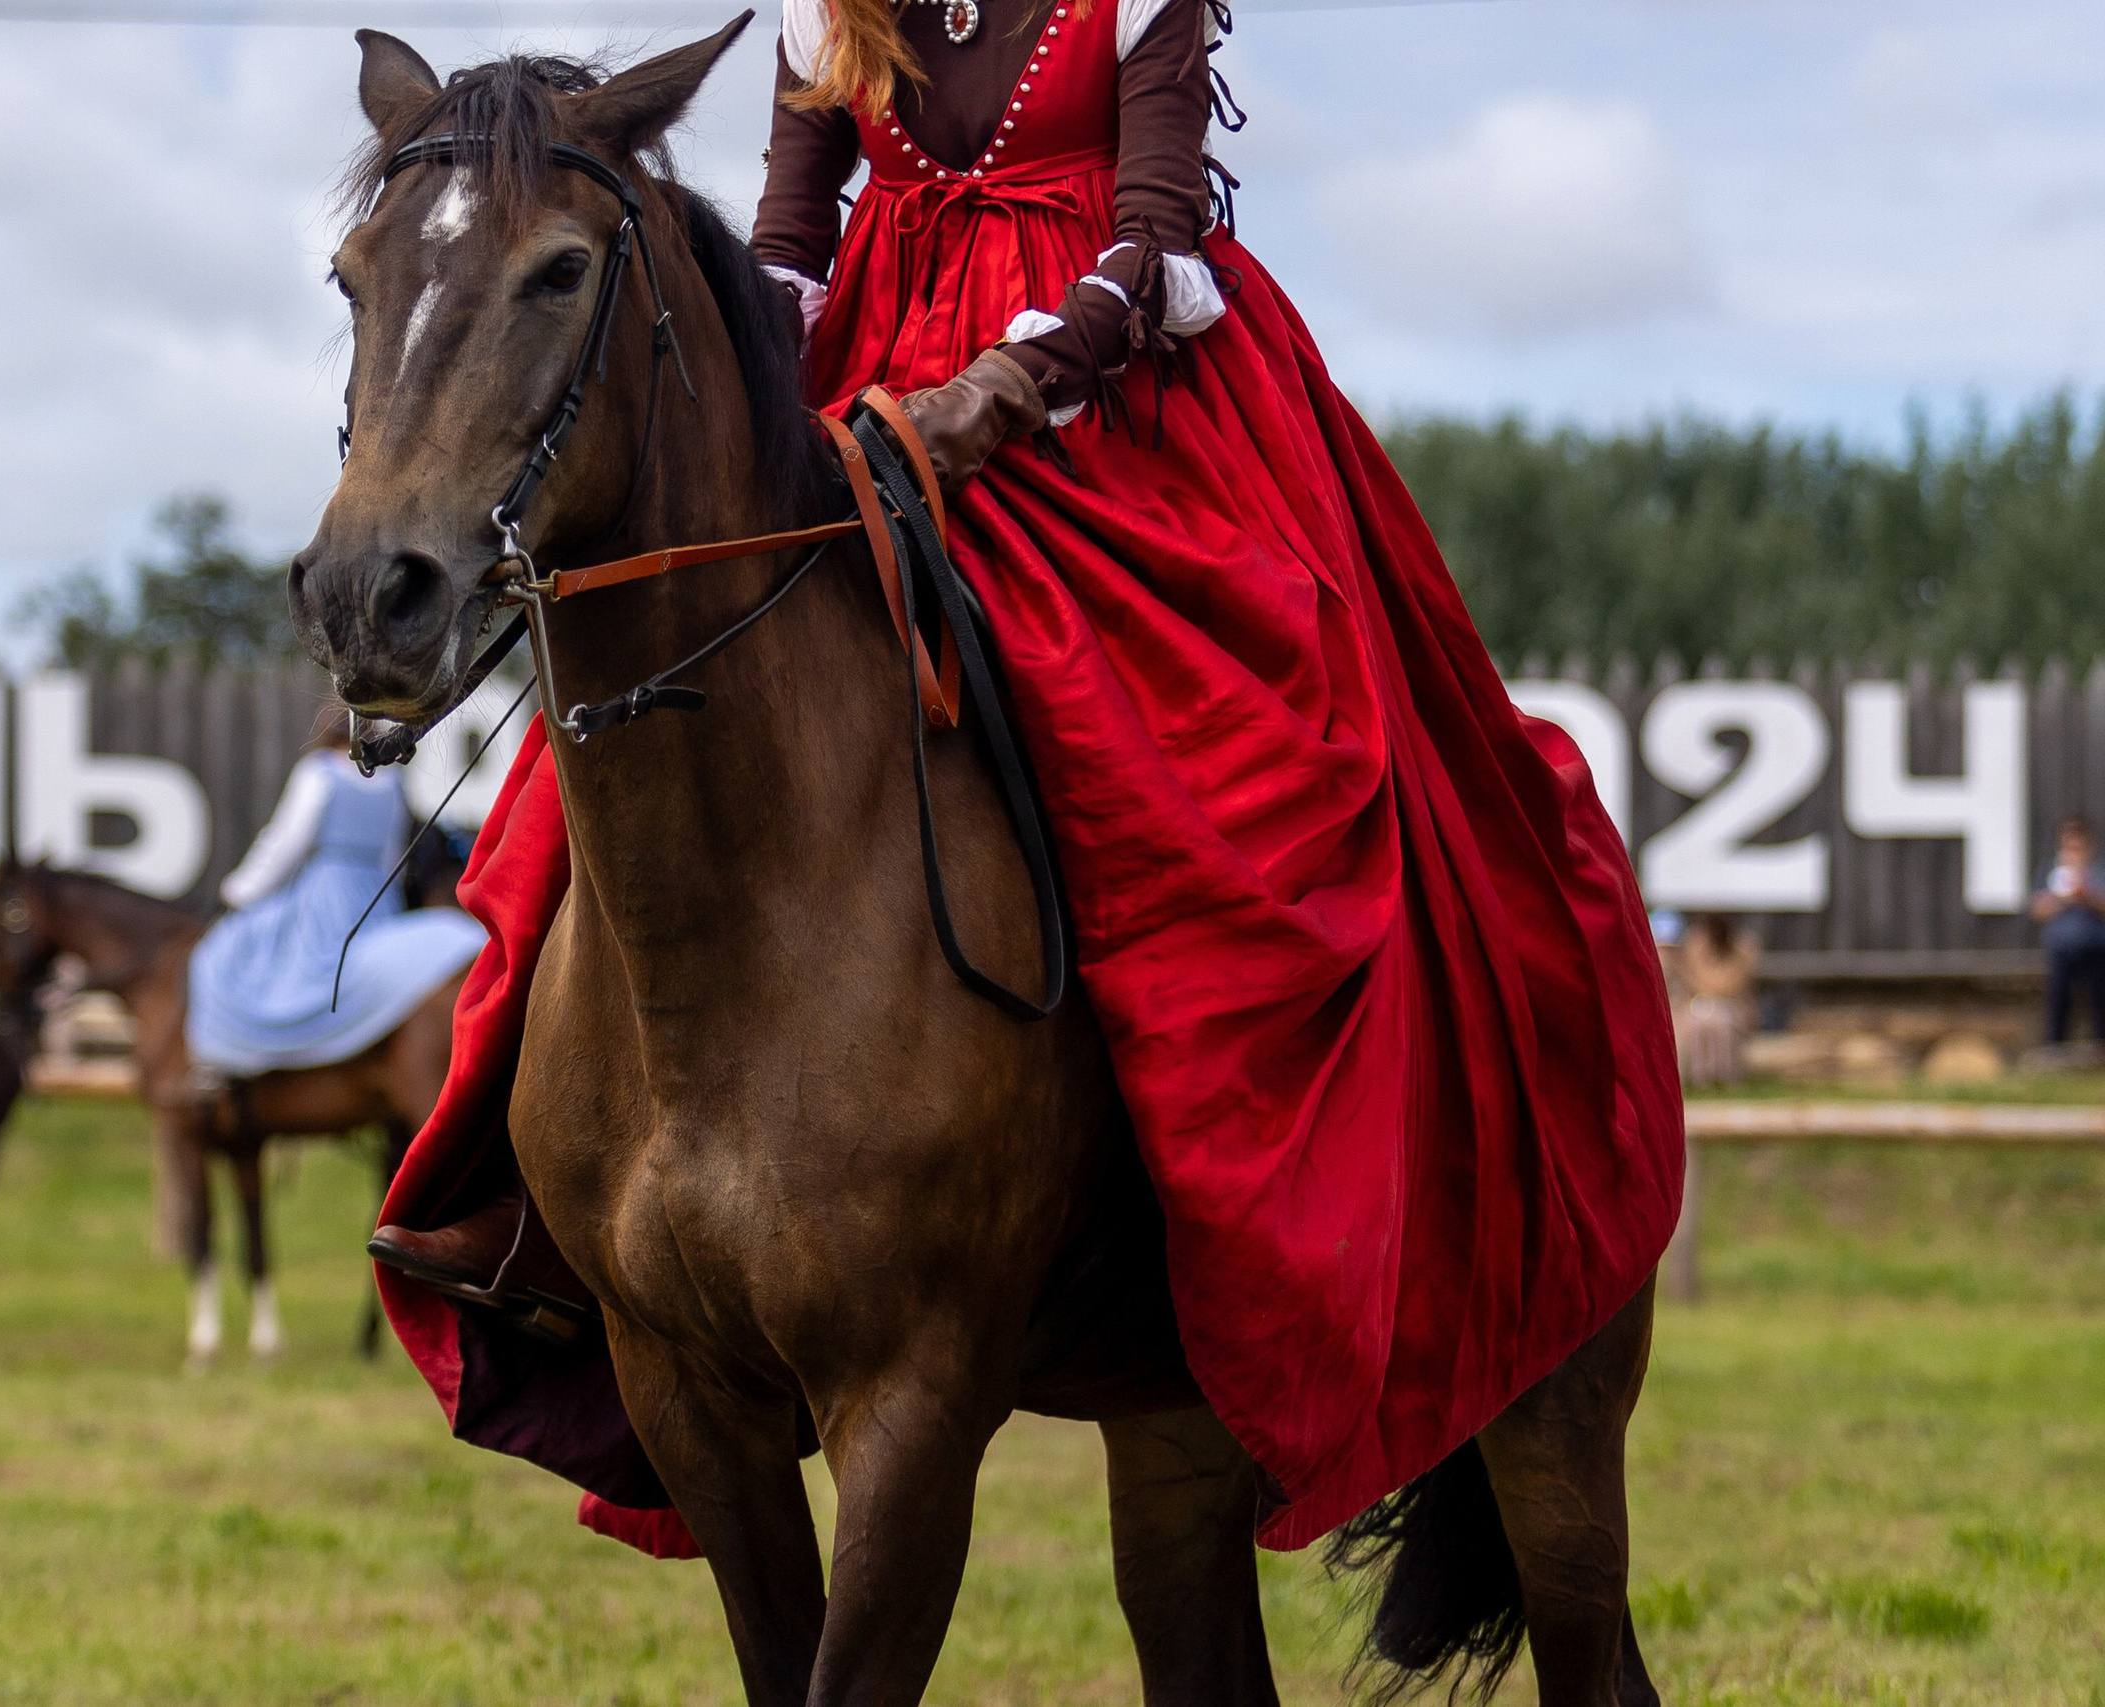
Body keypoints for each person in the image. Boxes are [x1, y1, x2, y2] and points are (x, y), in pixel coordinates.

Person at [368, 0, 1682, 1552]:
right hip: (867, 404)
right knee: (632, 735)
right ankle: (545, 1207)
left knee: (1225, 768)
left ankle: (1264, 1187)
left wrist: (999, 390)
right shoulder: (827, 12)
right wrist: (746, 383)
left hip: (1113, 407)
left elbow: (1157, 240)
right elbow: (791, 243)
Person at [185, 722, 486, 1077]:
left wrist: (238, 892)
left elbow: (284, 845)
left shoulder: (319, 772)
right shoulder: (392, 781)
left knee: (228, 954)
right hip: (376, 900)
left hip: (324, 898)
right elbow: (392, 858)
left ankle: (228, 1067)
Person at [2030, 815, 2105, 1045]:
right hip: (2062, 949)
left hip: (2096, 948)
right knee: (2059, 1000)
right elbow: (2037, 909)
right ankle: (2056, 1048)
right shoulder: (2050, 871)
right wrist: (2064, 898)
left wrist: (2087, 896)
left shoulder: (2098, 872)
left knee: (2100, 1000)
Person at [1674, 914, 1760, 1087]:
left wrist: (1710, 988)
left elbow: (1732, 984)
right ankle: (1699, 1077)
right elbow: (1693, 981)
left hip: (1730, 1007)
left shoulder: (1741, 948)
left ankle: (1725, 1075)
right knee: (1696, 1025)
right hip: (1697, 1006)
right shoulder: (1695, 946)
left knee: (1720, 1023)